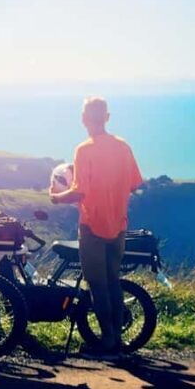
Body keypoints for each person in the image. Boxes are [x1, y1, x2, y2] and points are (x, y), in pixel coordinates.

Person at [50, 97, 143, 357]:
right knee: (113, 282)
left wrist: (56, 197)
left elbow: (79, 191)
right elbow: (135, 183)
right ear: (107, 117)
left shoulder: (84, 149)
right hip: (119, 225)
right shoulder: (123, 147)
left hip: (92, 226)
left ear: (83, 119)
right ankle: (118, 341)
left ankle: (108, 343)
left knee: (97, 286)